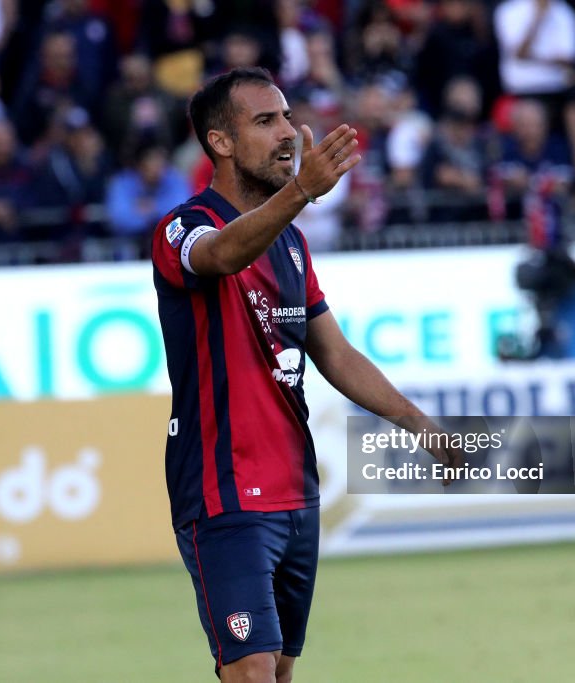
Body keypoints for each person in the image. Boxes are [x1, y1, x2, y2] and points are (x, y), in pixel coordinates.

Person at [151, 67, 463, 683]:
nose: (289, 133)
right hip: (225, 493)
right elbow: (221, 255)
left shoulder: (291, 244)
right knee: (250, 671)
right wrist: (301, 193)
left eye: (288, 117)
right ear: (221, 142)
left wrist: (425, 430)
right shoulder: (183, 228)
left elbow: (337, 356)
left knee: (282, 670)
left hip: (296, 493)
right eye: (265, 121)